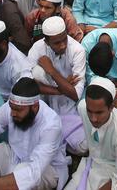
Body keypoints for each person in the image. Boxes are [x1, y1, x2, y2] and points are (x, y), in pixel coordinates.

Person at [0, 77, 69, 190]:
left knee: (21, 172)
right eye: (12, 108)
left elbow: (33, 174)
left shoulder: (51, 124)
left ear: (34, 106)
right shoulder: (12, 107)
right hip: (16, 157)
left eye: (18, 110)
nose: (12, 114)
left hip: (46, 169)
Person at [27, 15, 86, 153]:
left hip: (68, 104)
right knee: (37, 72)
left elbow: (75, 94)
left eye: (64, 39)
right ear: (46, 42)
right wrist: (62, 87)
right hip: (44, 101)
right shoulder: (37, 48)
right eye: (57, 43)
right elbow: (28, 85)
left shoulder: (77, 50)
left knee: (83, 147)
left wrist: (52, 71)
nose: (63, 45)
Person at [65, 77, 117, 190]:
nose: (93, 119)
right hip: (90, 162)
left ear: (112, 107)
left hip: (112, 171)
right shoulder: (82, 108)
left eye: (99, 113)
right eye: (90, 111)